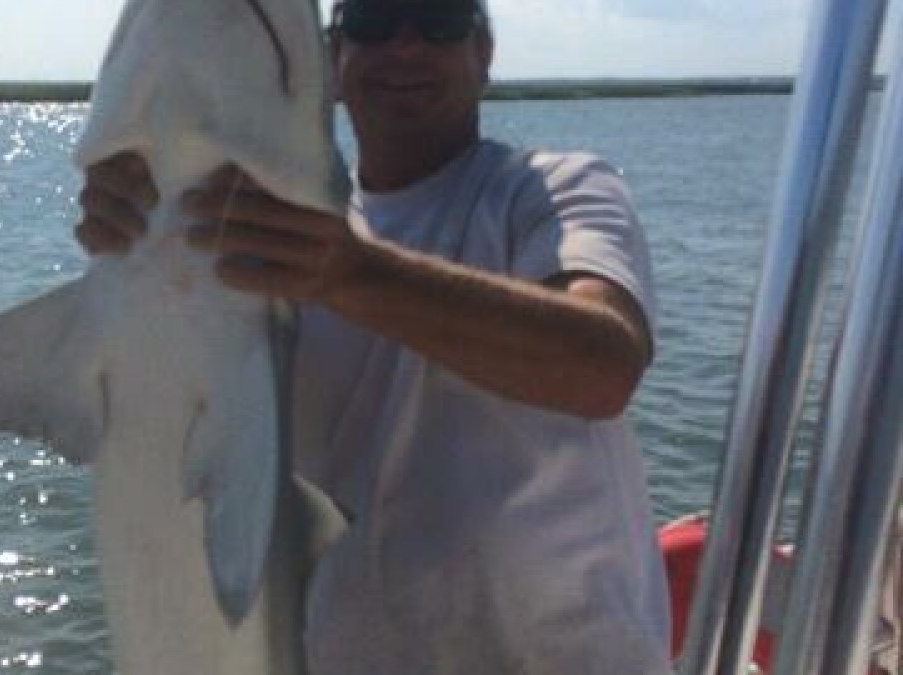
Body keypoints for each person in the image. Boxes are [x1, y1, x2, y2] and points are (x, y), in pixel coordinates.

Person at [75, 0, 672, 672]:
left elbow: (603, 367)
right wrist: (139, 225)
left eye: (439, 21)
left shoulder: (552, 191)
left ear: (483, 55)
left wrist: (352, 274)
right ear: (335, 60)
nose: (404, 46)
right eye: (374, 21)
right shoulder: (267, 242)